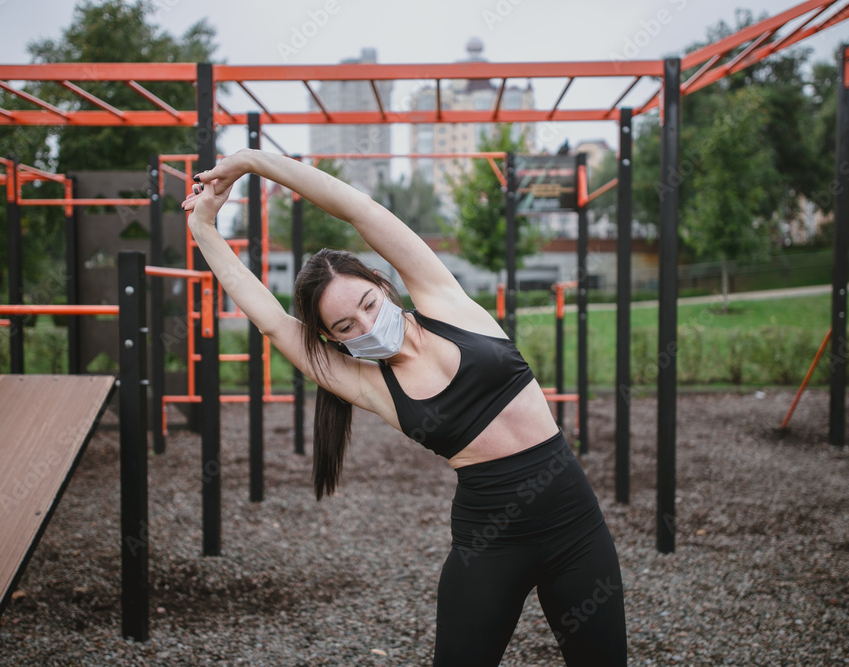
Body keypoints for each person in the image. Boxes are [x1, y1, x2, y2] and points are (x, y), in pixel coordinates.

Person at [182, 148, 627, 667]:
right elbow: (274, 323)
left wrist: (255, 161)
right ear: (333, 339)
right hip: (489, 544)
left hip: (576, 525)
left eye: (368, 305)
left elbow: (358, 210)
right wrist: (204, 228)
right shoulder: (369, 383)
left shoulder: (444, 301)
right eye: (345, 328)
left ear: (382, 285)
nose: (367, 327)